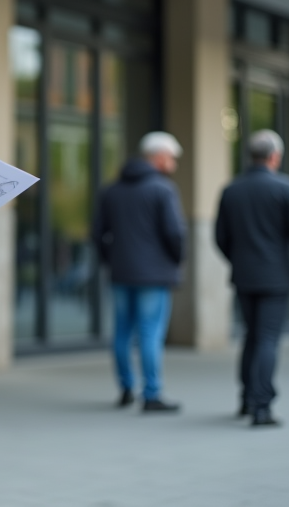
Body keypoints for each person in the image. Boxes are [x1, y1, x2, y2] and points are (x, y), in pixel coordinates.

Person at [215, 129, 289, 428]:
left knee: (252, 336)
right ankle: (262, 406)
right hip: (275, 277)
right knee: (268, 340)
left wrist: (238, 260)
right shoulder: (286, 188)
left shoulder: (231, 189)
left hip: (244, 277)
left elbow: (220, 237)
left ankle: (247, 398)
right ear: (275, 156)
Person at [92, 131, 186, 413]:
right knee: (150, 333)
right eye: (172, 158)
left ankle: (125, 389)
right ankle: (152, 394)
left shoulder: (111, 190)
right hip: (154, 276)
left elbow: (97, 234)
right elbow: (175, 233)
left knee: (122, 332)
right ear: (158, 157)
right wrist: (176, 260)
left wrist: (112, 260)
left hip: (121, 273)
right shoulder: (162, 189)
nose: (174, 164)